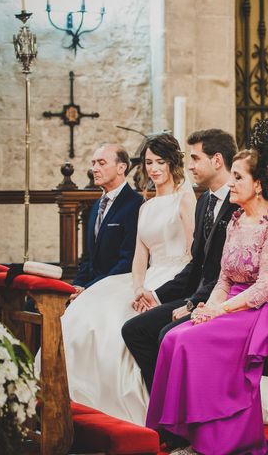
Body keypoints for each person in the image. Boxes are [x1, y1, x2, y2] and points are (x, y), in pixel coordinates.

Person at [146, 116, 268, 455]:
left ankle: (220, 440)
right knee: (174, 338)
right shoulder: (235, 220)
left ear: (259, 184)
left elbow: (265, 287)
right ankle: (186, 434)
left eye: (238, 177)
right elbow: (223, 278)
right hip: (234, 303)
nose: (230, 183)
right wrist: (208, 307)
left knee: (193, 341)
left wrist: (219, 310)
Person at [60, 135, 196, 425]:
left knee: (120, 324)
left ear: (172, 163)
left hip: (175, 277)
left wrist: (155, 293)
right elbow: (138, 257)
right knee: (90, 310)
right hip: (145, 278)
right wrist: (137, 287)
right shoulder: (145, 206)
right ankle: (80, 399)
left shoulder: (184, 199)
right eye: (149, 163)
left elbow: (193, 254)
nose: (154, 168)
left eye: (160, 162)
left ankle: (143, 404)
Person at [121, 128, 239, 394]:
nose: (190, 166)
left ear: (217, 160)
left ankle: (179, 410)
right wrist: (157, 296)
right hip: (197, 291)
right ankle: (162, 405)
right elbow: (196, 264)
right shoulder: (205, 201)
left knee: (167, 333)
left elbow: (227, 272)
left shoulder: (237, 202)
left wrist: (193, 304)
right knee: (133, 329)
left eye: (196, 159)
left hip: (224, 298)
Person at [72, 144, 144, 293]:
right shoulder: (97, 205)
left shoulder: (136, 204)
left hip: (118, 287)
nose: (94, 169)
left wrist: (88, 289)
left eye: (101, 163)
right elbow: (88, 258)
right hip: (90, 286)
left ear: (121, 168)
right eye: (93, 163)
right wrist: (75, 286)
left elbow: (128, 260)